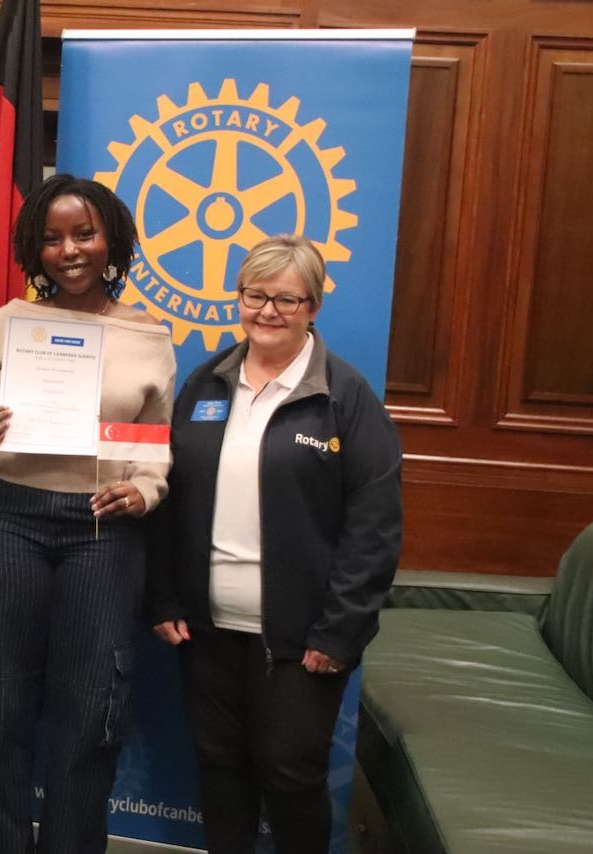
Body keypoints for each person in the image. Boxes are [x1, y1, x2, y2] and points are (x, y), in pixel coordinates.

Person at [146, 233, 402, 853]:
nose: (267, 311)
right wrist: (163, 597)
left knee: (290, 775)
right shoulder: (206, 384)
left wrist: (340, 632)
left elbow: (374, 524)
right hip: (207, 629)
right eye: (254, 295)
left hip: (302, 639)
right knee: (219, 766)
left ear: (313, 307)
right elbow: (168, 496)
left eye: (286, 300)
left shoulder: (344, 397)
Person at [0, 174, 175, 852]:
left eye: (83, 234)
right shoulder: (6, 324)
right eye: (52, 239)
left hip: (103, 530)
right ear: (34, 248)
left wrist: (144, 492)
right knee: (0, 709)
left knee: (89, 715)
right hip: (10, 519)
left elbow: (154, 452)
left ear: (111, 240)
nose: (69, 250)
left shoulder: (149, 336)